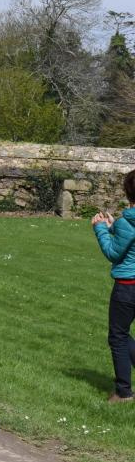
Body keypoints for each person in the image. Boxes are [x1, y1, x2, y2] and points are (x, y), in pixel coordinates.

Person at [92, 170, 135, 403]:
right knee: (123, 333)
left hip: (128, 287)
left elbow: (114, 252)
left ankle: (123, 392)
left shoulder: (127, 221)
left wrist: (100, 229)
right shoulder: (123, 224)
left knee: (118, 336)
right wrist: (112, 228)